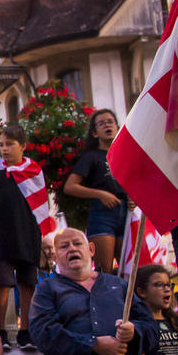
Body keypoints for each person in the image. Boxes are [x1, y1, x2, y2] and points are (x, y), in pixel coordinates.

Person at [0, 125, 45, 349]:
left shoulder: (34, 171)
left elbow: (40, 206)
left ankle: (26, 332)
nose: (4, 149)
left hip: (28, 232)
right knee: (1, 283)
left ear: (22, 146)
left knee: (27, 282)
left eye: (9, 144)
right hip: (1, 232)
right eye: (1, 144)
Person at [63, 109, 126, 274]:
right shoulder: (91, 157)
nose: (107, 125)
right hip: (102, 213)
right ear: (94, 132)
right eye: (102, 123)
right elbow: (70, 186)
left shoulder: (125, 153)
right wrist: (100, 194)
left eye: (110, 121)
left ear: (117, 126)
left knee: (129, 269)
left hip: (127, 211)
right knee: (104, 270)